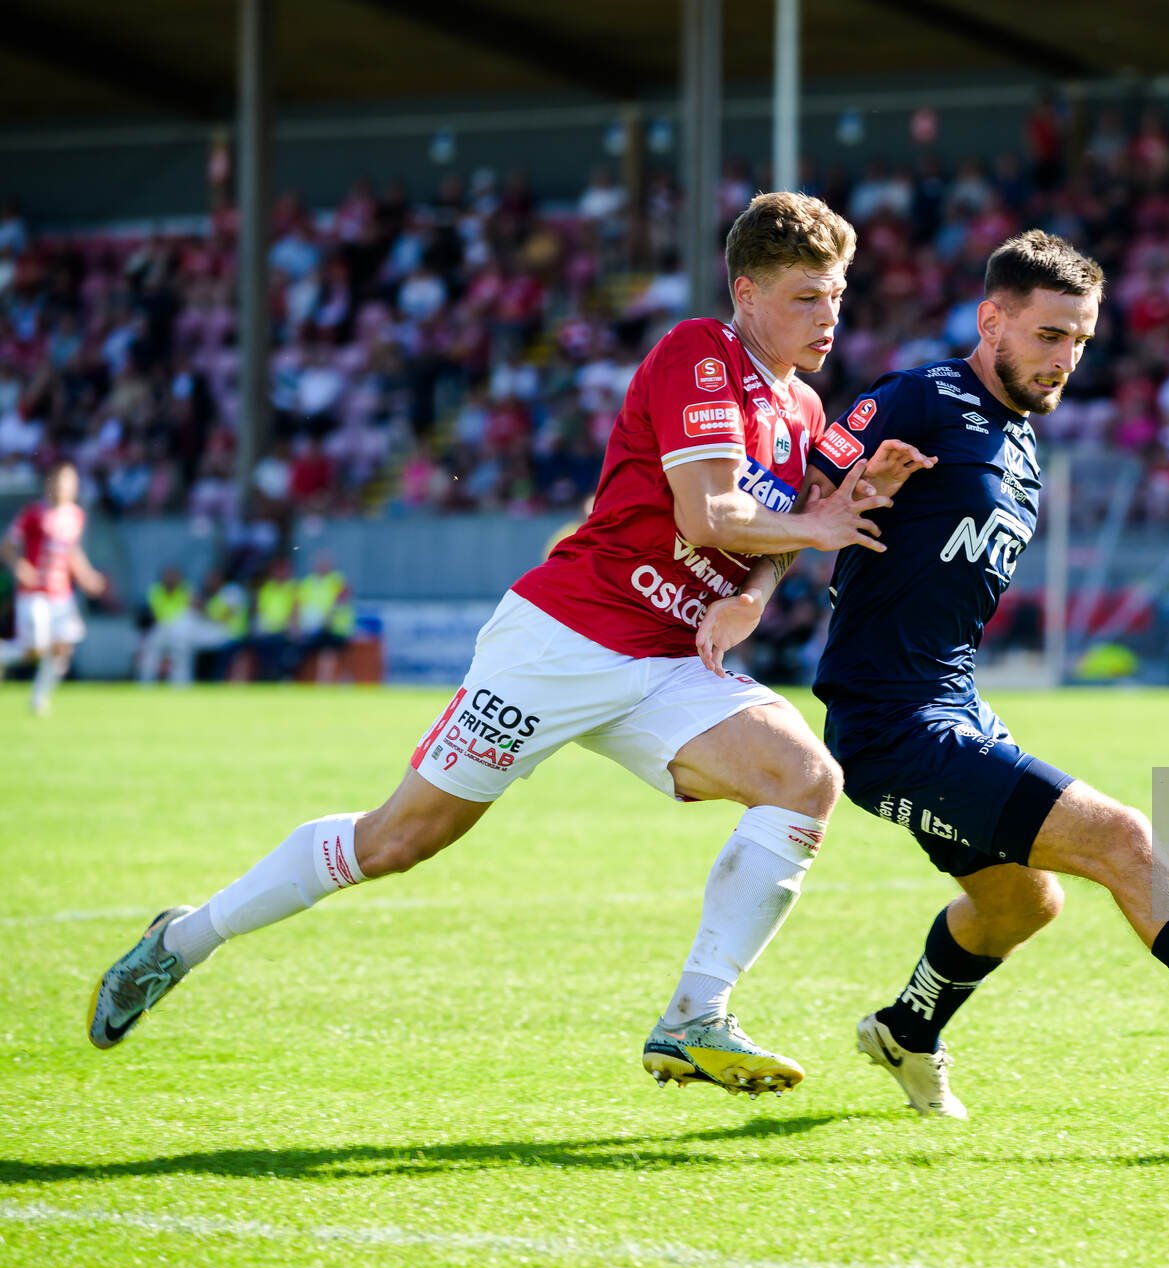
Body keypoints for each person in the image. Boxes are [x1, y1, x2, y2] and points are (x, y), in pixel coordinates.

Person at [87, 193, 922, 1100]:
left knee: (804, 779)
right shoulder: (700, 353)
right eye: (806, 297)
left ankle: (694, 1017)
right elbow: (710, 513)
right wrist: (816, 527)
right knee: (398, 840)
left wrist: (755, 594)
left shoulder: (802, 407)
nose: (829, 317)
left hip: (671, 660)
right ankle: (182, 941)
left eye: (837, 296)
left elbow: (779, 532)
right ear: (748, 292)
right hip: (563, 641)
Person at [700, 231, 1169, 1120]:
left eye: (1080, 339)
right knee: (1122, 839)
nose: (1065, 357)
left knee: (1022, 904)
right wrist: (765, 584)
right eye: (1048, 334)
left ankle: (907, 1031)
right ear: (991, 321)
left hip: (952, 705)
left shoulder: (1023, 446)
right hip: (890, 724)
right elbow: (802, 501)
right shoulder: (919, 397)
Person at [0, 461, 108, 716]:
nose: (63, 487)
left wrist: (87, 575)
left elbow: (71, 552)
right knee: (35, 648)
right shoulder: (33, 513)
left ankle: (39, 699)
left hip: (61, 595)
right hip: (34, 593)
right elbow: (7, 546)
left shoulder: (76, 516)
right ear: (50, 484)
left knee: (62, 648)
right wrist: (19, 566)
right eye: (59, 481)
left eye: (69, 482)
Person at [296, 551, 354, 683]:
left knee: (328, 649)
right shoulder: (308, 583)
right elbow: (298, 605)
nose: (321, 566)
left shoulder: (337, 580)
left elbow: (342, 598)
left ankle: (326, 681)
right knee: (295, 648)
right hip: (313, 629)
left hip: (336, 629)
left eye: (324, 563)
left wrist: (327, 617)